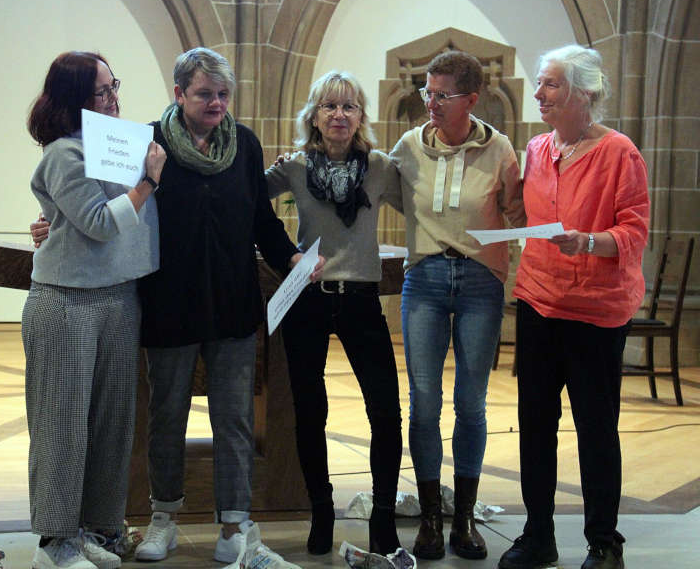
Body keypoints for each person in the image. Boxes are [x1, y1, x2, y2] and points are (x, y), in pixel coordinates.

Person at [132, 48, 324, 563]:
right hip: (169, 302)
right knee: (166, 415)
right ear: (178, 94)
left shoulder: (243, 144)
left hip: (233, 304)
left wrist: (294, 258)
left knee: (234, 418)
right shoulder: (149, 144)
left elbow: (261, 219)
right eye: (204, 94)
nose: (216, 103)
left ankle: (234, 526)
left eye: (223, 94)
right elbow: (120, 208)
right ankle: (163, 518)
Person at [497, 45, 649, 569]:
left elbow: (634, 229)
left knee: (595, 428)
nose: (538, 94)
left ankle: (604, 543)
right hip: (539, 303)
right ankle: (538, 534)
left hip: (596, 313)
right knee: (534, 423)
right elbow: (514, 207)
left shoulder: (619, 152)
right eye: (540, 85)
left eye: (551, 85)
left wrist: (589, 241)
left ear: (583, 93)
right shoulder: (537, 149)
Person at [24, 51, 164, 569]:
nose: (113, 97)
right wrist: (147, 183)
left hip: (119, 297)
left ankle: (100, 529)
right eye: (102, 91)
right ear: (75, 100)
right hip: (67, 301)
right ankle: (55, 542)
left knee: (112, 424)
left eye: (113, 87)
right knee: (63, 425)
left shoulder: (115, 143)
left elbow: (73, 215)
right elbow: (101, 222)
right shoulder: (64, 152)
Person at [388, 50, 525, 561]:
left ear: (471, 99)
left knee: (471, 401)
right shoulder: (407, 146)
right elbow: (384, 190)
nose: (431, 103)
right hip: (423, 277)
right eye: (428, 92)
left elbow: (518, 213)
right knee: (424, 400)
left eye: (442, 95)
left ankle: (463, 518)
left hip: (479, 283)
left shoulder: (501, 149)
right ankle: (429, 518)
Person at [264, 71, 402, 555]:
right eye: (329, 107)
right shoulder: (295, 168)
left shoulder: (382, 167)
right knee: (309, 411)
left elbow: (422, 210)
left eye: (349, 107)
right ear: (314, 116)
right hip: (309, 298)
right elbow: (249, 206)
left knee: (385, 411)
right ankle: (321, 511)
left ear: (361, 116)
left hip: (362, 298)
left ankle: (383, 516)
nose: (340, 115)